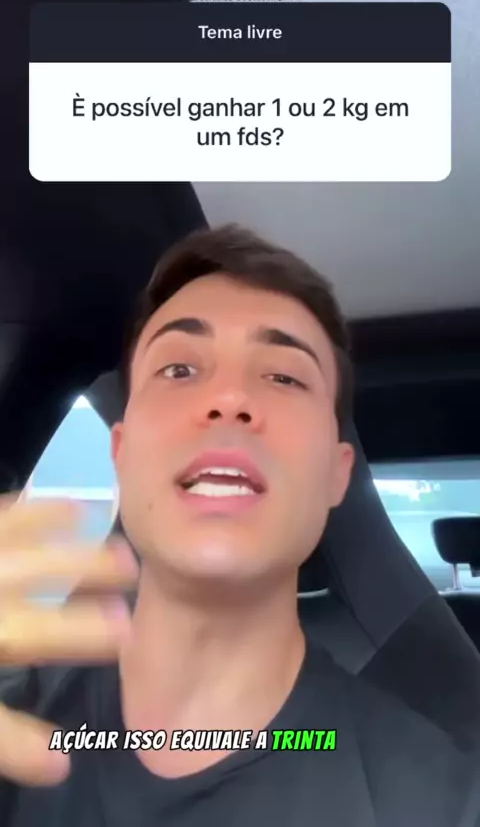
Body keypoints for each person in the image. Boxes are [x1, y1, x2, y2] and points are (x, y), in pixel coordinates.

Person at [0, 224, 478, 827]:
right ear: (120, 452)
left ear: (337, 474)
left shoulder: (442, 800)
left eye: (283, 376)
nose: (228, 398)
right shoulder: (14, 726)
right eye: (178, 368)